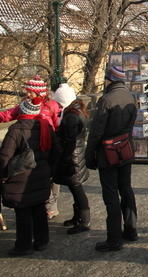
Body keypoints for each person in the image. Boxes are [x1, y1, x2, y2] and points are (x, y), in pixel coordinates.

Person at [85, 65, 138, 252]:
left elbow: (96, 131)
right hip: (125, 149)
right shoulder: (130, 97)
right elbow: (131, 126)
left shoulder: (106, 100)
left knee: (110, 193)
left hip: (108, 152)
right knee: (126, 189)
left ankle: (114, 239)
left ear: (110, 79)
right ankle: (131, 229)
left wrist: (89, 154)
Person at [0, 97, 60, 256]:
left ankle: (23, 245)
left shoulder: (16, 130)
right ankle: (42, 241)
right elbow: (56, 151)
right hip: (41, 174)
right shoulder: (46, 126)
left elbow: (5, 157)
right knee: (39, 208)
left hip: (20, 178)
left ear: (22, 111)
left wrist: (3, 175)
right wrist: (49, 169)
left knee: (23, 212)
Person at [0, 76, 62, 220]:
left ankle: (51, 207)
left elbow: (57, 125)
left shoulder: (52, 105)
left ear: (39, 93)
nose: (27, 94)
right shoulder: (24, 105)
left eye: (30, 92)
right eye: (27, 91)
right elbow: (7, 115)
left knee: (49, 181)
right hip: (28, 151)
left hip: (45, 148)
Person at [53, 91, 91, 235]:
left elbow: (70, 140)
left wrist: (66, 158)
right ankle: (78, 218)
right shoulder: (76, 111)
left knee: (76, 188)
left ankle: (85, 221)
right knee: (75, 187)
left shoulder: (70, 116)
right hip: (76, 154)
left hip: (73, 157)